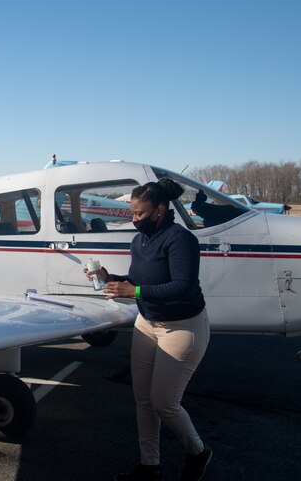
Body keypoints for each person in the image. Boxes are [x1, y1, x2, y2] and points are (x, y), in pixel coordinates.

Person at [86, 178, 212, 481]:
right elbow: (140, 278)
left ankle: (198, 452)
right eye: (132, 213)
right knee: (143, 399)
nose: (134, 219)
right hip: (148, 323)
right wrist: (109, 277)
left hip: (181, 328)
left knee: (164, 403)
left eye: (139, 214)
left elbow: (181, 286)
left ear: (158, 210)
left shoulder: (180, 239)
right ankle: (149, 466)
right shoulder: (140, 240)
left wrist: (135, 293)